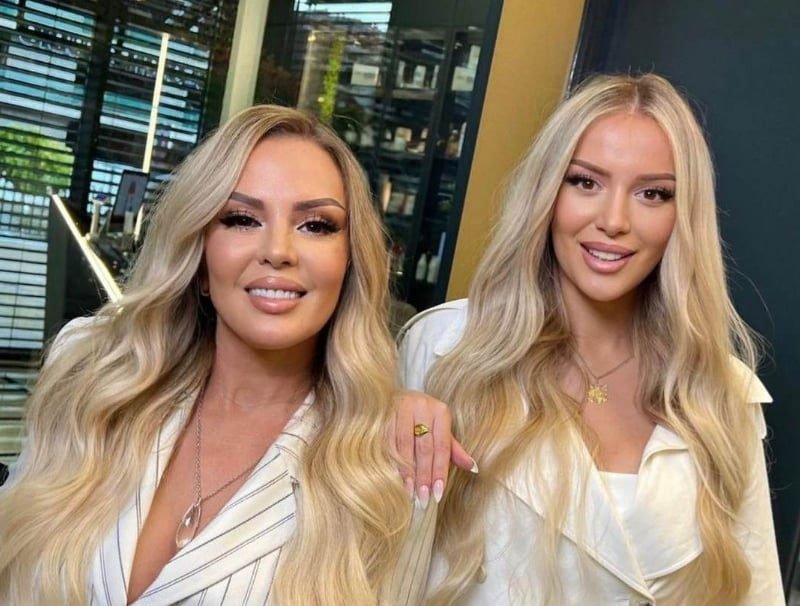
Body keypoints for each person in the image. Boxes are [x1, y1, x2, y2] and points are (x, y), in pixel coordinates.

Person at [0, 105, 434, 605]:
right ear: (200, 257)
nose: (278, 251)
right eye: (241, 219)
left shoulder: (396, 465)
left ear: (351, 262)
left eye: (316, 225)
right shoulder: (92, 379)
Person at [398, 73, 785, 605]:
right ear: (546, 192)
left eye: (653, 193)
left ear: (683, 215)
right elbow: (371, 561)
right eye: (585, 182)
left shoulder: (721, 392)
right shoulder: (445, 346)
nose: (614, 220)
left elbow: (754, 592)